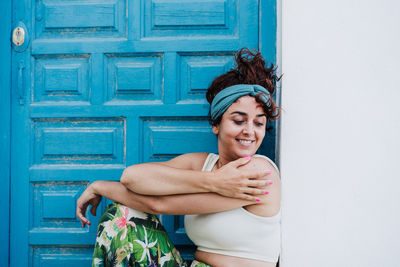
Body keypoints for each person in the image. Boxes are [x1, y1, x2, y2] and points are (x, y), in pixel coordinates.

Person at [76, 48, 281, 267]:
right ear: (216, 125)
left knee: (123, 212)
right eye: (239, 121)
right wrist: (214, 181)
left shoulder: (259, 173)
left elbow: (158, 204)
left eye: (259, 123)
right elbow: (132, 177)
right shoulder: (203, 163)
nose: (250, 131)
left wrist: (99, 187)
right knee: (120, 213)